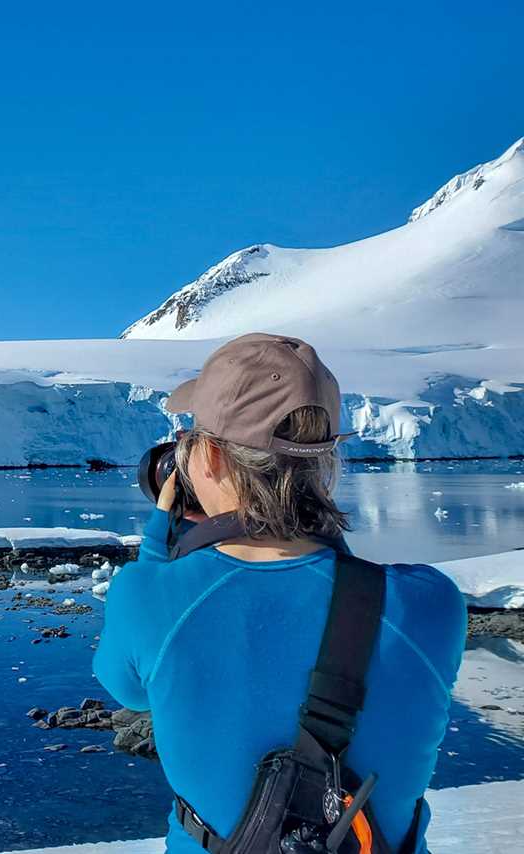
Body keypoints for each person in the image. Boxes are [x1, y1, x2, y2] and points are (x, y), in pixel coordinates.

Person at [93, 333, 466, 853]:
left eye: (191, 440)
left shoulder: (146, 597)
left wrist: (163, 537)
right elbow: (344, 592)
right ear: (326, 460)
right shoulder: (432, 603)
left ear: (214, 458)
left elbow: (129, 689)